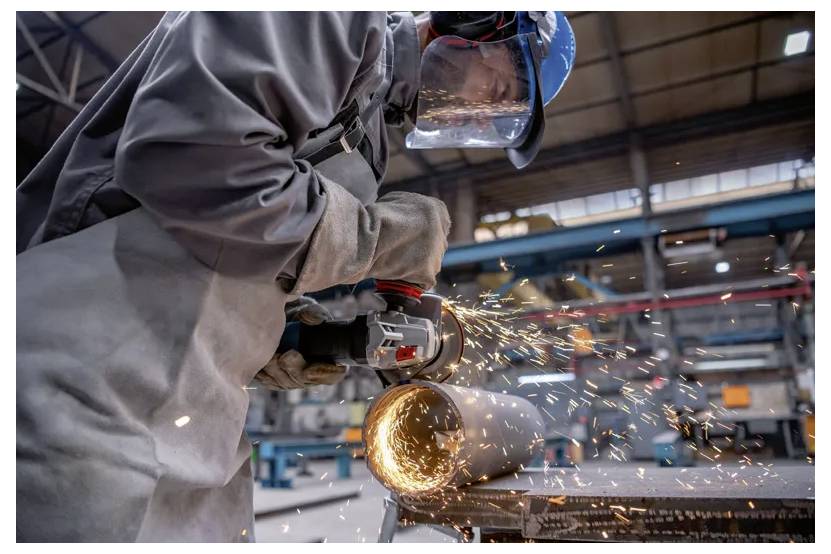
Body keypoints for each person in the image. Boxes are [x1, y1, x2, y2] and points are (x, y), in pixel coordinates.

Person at [16, 11, 574, 541]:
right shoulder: (333, 18)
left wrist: (269, 334)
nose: (482, 115)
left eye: (496, 118)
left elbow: (221, 247)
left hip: (190, 425)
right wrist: (376, 240)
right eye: (499, 90)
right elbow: (192, 159)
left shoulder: (369, 128)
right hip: (81, 383)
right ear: (471, 21)